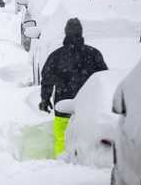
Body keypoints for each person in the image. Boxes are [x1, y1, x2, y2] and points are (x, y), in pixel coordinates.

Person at [38, 18, 108, 157]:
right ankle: (85, 169)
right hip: (87, 110)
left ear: (65, 33)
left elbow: (47, 77)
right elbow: (104, 79)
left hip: (63, 106)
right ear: (81, 33)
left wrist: (45, 98)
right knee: (86, 143)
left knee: (62, 141)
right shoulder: (93, 54)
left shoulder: (57, 56)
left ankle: (61, 166)